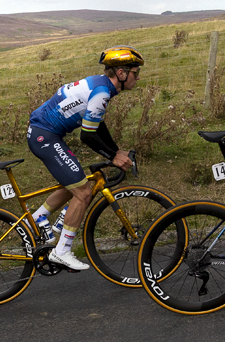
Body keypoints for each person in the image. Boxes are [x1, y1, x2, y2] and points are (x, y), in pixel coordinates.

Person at [26, 47, 142, 272]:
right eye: (135, 73)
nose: (138, 78)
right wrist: (113, 155)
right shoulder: (102, 91)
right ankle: (62, 251)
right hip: (44, 136)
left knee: (75, 182)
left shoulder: (101, 85)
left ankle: (40, 216)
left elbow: (98, 124)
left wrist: (116, 151)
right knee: (84, 192)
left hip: (47, 134)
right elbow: (87, 135)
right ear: (120, 73)